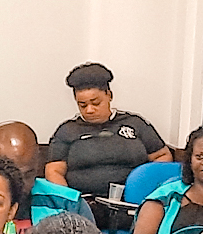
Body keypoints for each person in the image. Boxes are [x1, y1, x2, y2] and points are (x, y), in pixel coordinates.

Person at [42, 62, 172, 198]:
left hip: (133, 201)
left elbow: (162, 156)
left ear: (109, 95)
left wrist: (144, 187)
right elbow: (54, 171)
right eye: (83, 105)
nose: (90, 110)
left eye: (96, 103)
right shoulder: (67, 130)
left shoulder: (135, 123)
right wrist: (71, 200)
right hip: (84, 202)